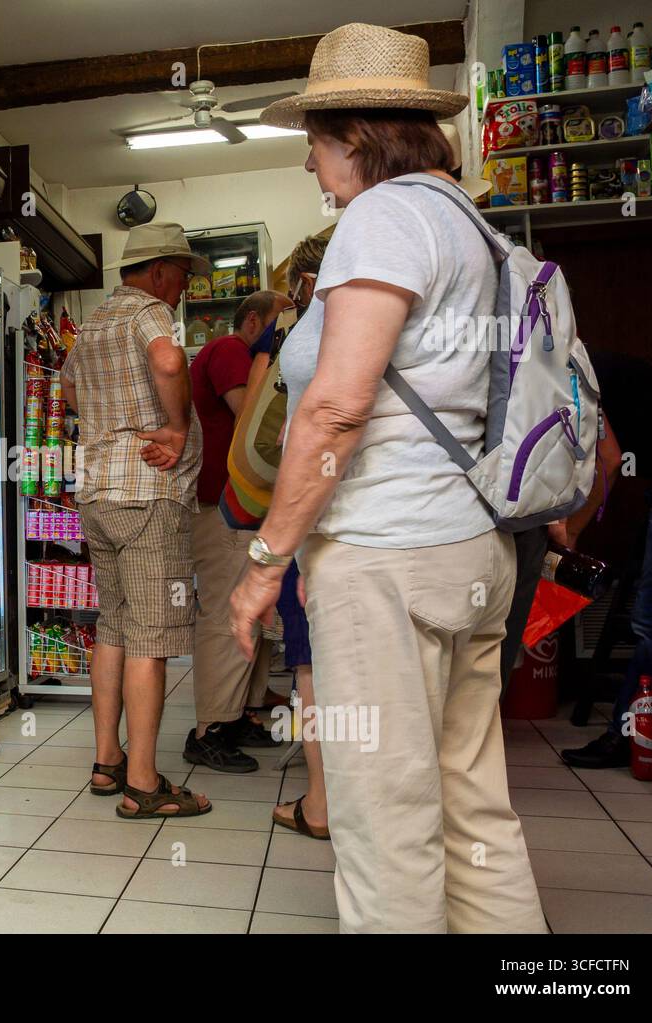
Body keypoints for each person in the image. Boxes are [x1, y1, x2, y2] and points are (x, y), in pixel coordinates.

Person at [231, 23, 545, 932]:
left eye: (314, 142)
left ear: (356, 138)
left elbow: (334, 408)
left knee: (385, 824)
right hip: (473, 549)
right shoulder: (474, 225)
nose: (308, 165)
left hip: (386, 558)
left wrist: (264, 566)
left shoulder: (381, 216)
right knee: (474, 809)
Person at [60, 221, 212, 820]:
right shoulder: (149, 311)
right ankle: (144, 783)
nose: (181, 290)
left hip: (97, 493)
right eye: (180, 277)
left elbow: (68, 388)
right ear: (158, 271)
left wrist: (107, 417)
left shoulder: (94, 319)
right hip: (148, 493)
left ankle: (107, 761)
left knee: (114, 628)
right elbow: (170, 361)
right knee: (151, 636)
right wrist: (173, 427)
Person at [186, 290, 293, 772]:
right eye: (278, 324)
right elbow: (251, 417)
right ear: (253, 322)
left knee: (255, 622)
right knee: (225, 618)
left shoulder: (243, 354)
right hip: (222, 507)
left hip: (242, 507)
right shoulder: (230, 349)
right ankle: (210, 729)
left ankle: (243, 714)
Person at [560, 350, 652, 768]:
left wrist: (571, 531)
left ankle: (624, 737)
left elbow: (607, 463)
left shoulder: (575, 371)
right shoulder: (588, 363)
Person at [271, 235, 330, 840]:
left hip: (324, 521)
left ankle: (322, 803)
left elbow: (318, 429)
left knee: (310, 662)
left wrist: (273, 547)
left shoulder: (322, 325)